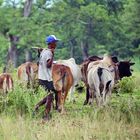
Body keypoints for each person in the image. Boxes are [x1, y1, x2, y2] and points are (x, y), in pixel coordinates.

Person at [34, 35, 60, 120]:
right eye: (55, 42)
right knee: (50, 96)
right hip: (46, 78)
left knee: (50, 95)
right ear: (51, 43)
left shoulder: (43, 51)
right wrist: (52, 55)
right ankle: (46, 115)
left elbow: (39, 62)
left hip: (41, 77)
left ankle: (38, 107)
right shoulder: (49, 52)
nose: (56, 44)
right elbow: (48, 65)